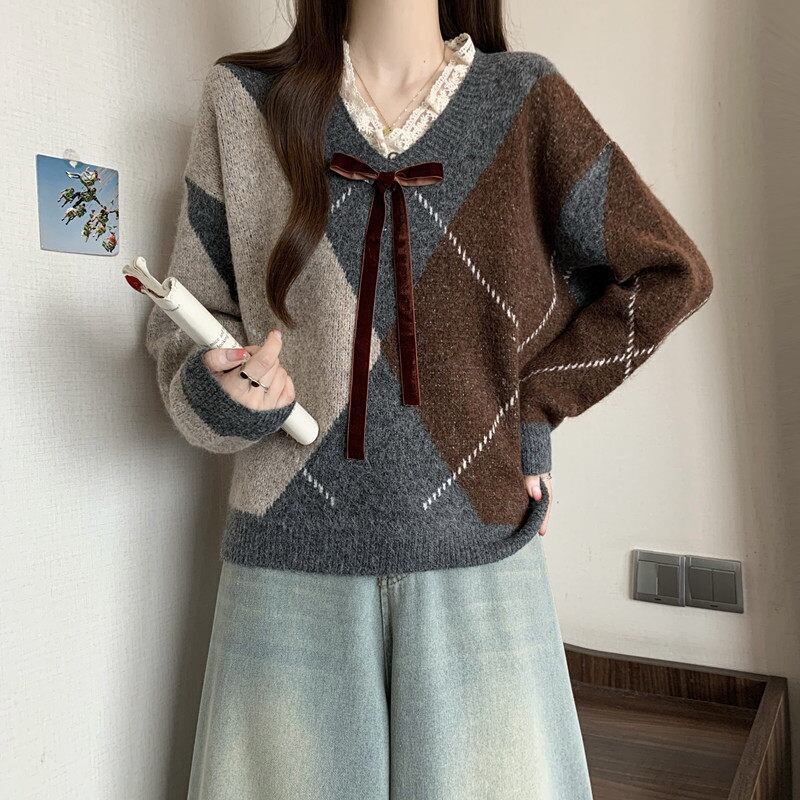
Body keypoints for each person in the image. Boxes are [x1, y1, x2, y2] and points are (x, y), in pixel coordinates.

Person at [145, 2, 713, 797]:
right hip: (289, 557)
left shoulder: (525, 100)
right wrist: (230, 390)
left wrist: (532, 414)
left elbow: (669, 274)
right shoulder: (243, 102)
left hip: (480, 551)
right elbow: (181, 334)